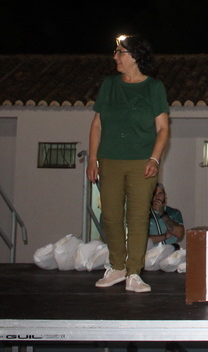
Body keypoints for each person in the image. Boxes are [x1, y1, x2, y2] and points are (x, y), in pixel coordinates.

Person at [87, 34, 170, 293]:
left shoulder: (154, 87)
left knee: (137, 218)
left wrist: (154, 158)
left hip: (142, 162)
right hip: (109, 160)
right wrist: (92, 159)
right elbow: (97, 124)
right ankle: (117, 267)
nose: (115, 57)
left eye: (120, 52)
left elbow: (163, 129)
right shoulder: (109, 85)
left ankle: (134, 272)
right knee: (110, 216)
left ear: (135, 56)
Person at [148, 183, 185, 247]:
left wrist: (162, 213)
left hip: (171, 250)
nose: (157, 197)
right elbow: (144, 239)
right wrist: (165, 236)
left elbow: (179, 234)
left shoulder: (174, 213)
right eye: (154, 194)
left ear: (165, 196)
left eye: (160, 193)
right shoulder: (145, 214)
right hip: (152, 251)